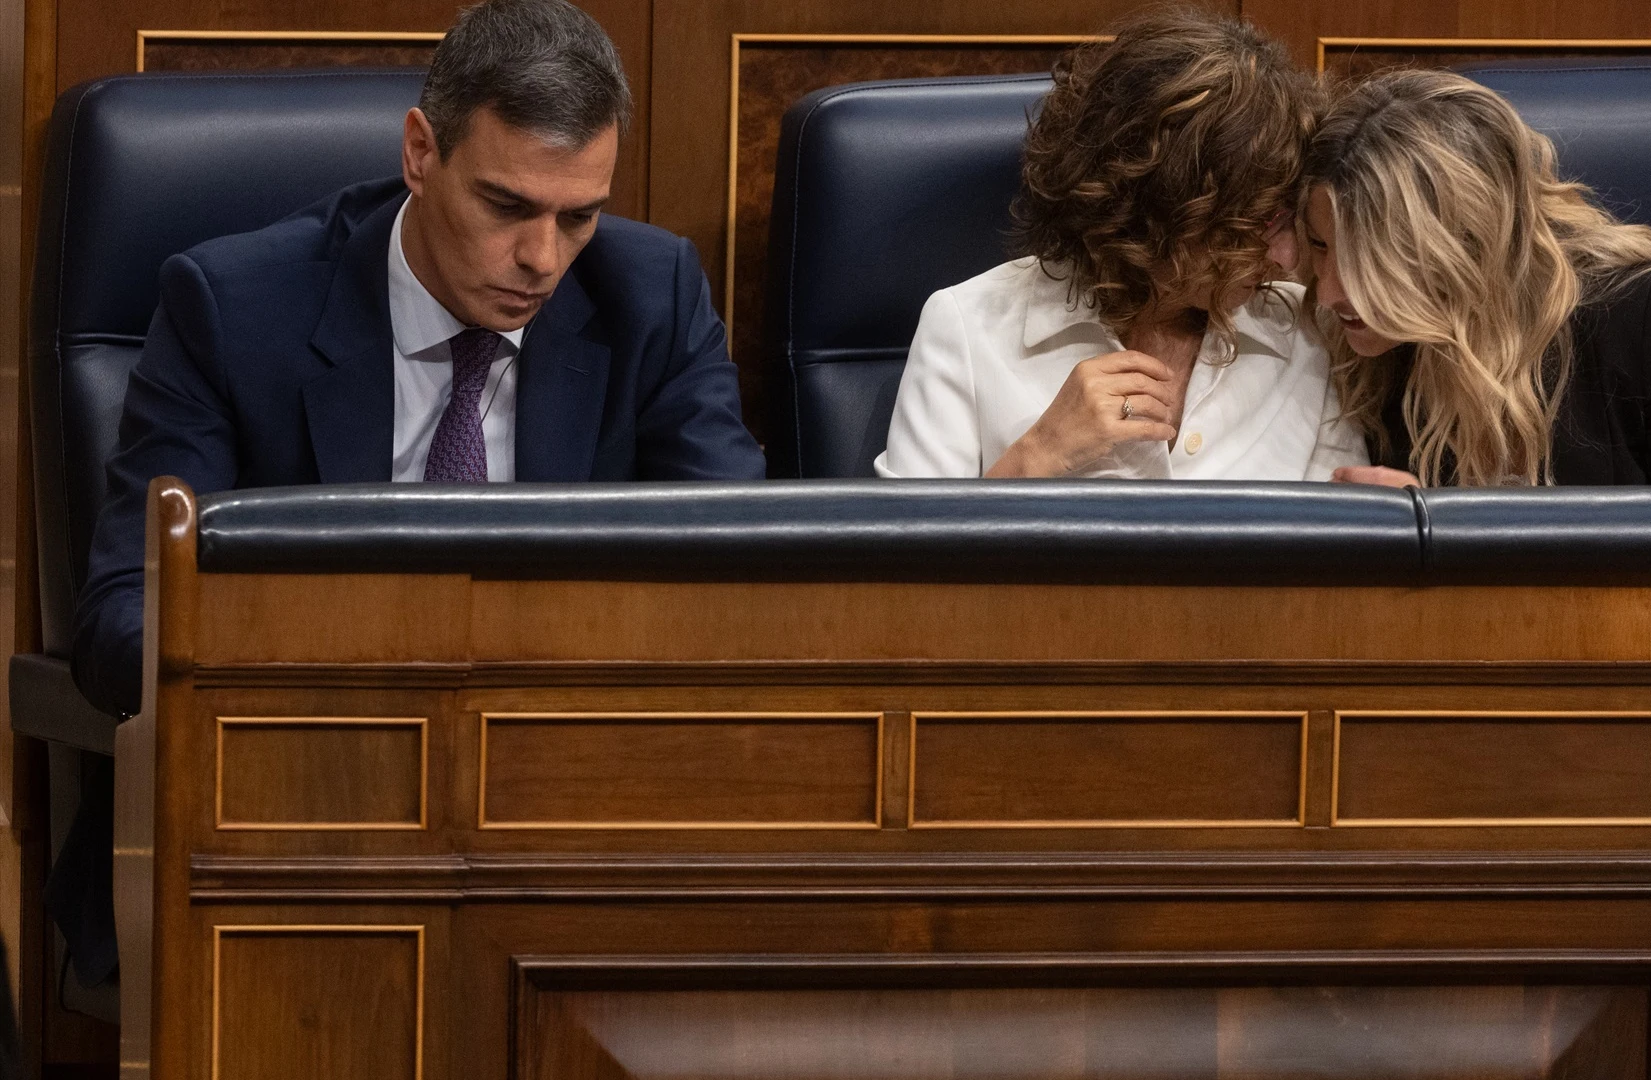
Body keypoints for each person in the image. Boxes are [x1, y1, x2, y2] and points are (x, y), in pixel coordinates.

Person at [58, 0, 763, 989]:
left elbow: (737, 569)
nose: (544, 260)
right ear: (421, 152)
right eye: (508, 207)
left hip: (563, 810)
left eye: (580, 216)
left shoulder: (654, 295)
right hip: (302, 799)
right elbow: (124, 617)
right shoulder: (234, 307)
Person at [874, 8, 1366, 480]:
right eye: (1252, 226)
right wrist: (1037, 453)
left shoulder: (1308, 333)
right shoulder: (966, 328)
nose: (1286, 258)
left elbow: (1340, 549)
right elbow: (899, 564)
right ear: (1158, 210)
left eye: (1287, 221)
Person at [1301, 68, 1651, 488]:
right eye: (1322, 246)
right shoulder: (1352, 350)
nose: (1328, 292)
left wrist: (1438, 530)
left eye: (1369, 263)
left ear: (1464, 243)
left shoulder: (1643, 315)